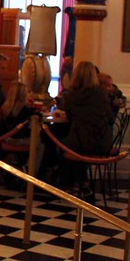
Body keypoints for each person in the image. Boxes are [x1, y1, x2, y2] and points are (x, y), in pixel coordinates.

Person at [49, 60, 114, 197]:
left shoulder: (72, 96)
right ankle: (81, 182)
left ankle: (65, 181)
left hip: (82, 141)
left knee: (62, 144)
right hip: (103, 143)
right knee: (73, 143)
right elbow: (110, 118)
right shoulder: (101, 94)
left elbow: (72, 120)